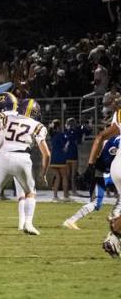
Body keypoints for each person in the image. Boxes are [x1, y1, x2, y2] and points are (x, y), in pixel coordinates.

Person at [0, 98, 50, 236]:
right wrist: (44, 173)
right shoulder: (38, 126)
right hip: (23, 157)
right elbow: (46, 154)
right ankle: (28, 224)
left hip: (4, 156)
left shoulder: (7, 118)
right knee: (30, 192)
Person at [84, 108, 121, 257]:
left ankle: (112, 239)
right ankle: (115, 226)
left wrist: (90, 166)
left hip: (117, 165)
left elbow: (100, 137)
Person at [64, 134, 119, 229]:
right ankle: (71, 220)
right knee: (96, 202)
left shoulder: (112, 139)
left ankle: (114, 217)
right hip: (102, 172)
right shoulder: (115, 140)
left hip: (106, 172)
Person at [48, 120, 68, 200]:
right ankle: (65, 196)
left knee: (57, 177)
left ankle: (55, 196)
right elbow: (65, 146)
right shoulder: (61, 135)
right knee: (64, 176)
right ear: (59, 126)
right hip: (61, 157)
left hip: (53, 158)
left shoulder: (52, 135)